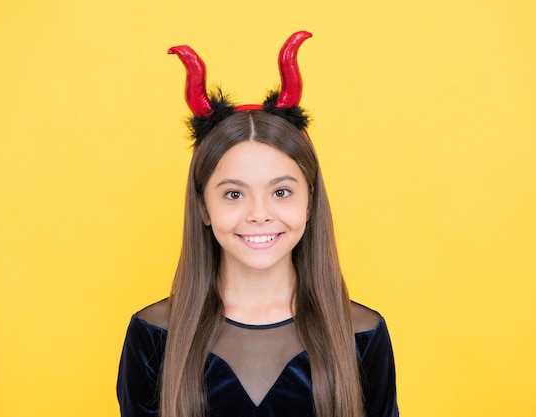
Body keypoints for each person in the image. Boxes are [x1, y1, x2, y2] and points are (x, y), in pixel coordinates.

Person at [117, 31, 399, 417]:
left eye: (281, 192)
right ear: (203, 207)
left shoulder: (362, 335)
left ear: (310, 202)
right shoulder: (153, 336)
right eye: (234, 194)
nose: (259, 213)